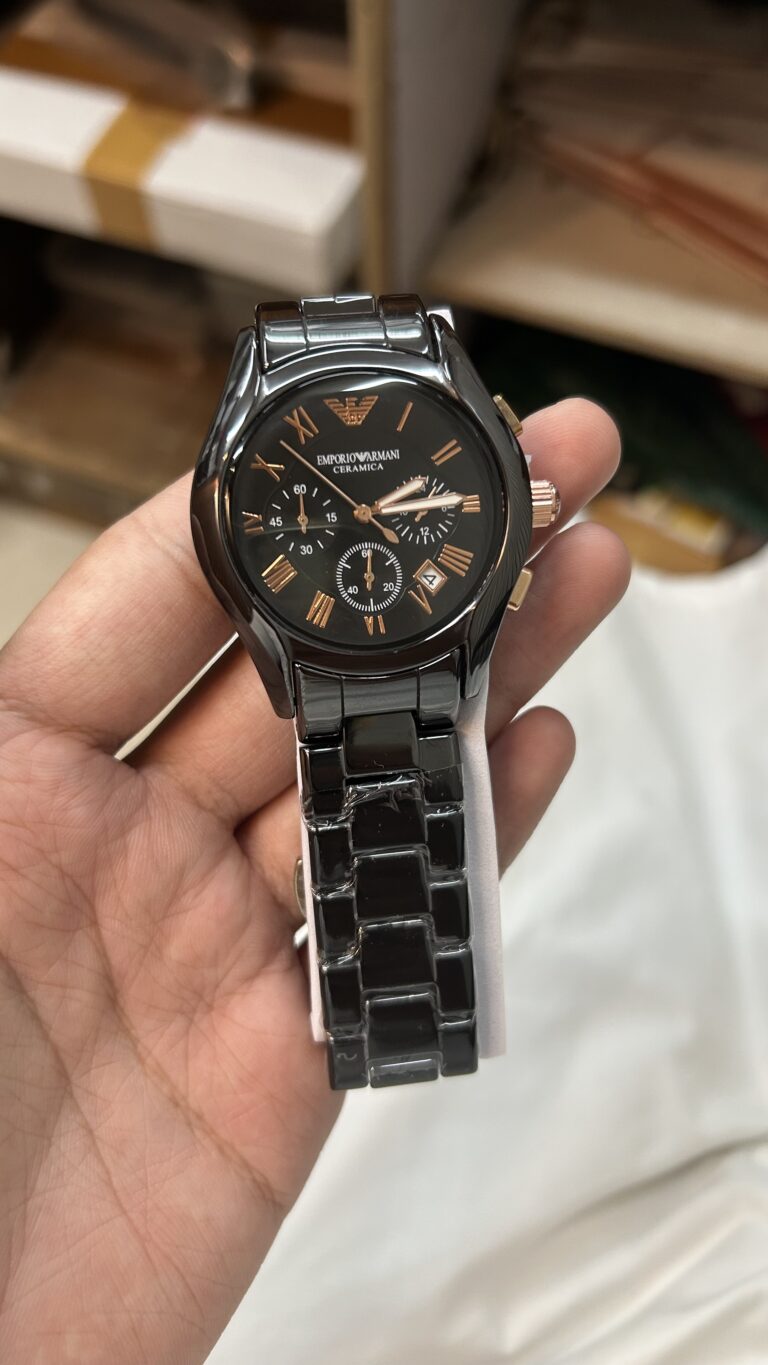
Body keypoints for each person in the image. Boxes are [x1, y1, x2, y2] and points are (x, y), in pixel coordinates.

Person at [0, 398, 627, 1362]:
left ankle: (416, 1025)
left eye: (391, 506)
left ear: (518, 507)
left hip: (428, 644)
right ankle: (406, 1025)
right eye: (350, 510)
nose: (368, 518)